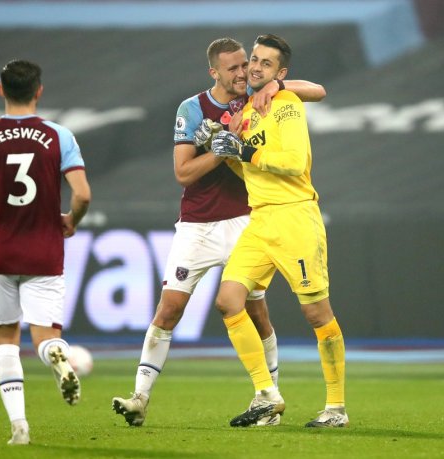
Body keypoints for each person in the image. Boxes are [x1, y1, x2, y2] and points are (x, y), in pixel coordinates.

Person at [111, 37, 326, 427]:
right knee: (169, 309)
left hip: (247, 219)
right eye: (234, 68)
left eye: (246, 65)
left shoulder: (260, 94)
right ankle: (139, 397)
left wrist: (277, 85)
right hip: (196, 224)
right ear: (214, 72)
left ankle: (268, 398)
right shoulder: (192, 109)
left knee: (255, 310)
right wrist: (221, 150)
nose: (244, 73)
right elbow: (182, 173)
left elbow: (318, 90)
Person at [0, 59, 91, 445]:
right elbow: (83, 193)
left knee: (6, 342)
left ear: (0, 90)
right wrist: (71, 219)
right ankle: (58, 356)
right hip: (43, 249)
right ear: (39, 91)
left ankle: (19, 428)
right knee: (46, 338)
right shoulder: (60, 136)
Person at [210, 34, 348, 428]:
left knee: (316, 312)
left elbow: (291, 162)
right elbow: (252, 167)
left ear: (281, 73)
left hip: (294, 217)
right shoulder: (249, 111)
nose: (255, 67)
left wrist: (245, 151)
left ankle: (336, 408)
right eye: (254, 59)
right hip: (261, 220)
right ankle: (266, 395)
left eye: (266, 63)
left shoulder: (285, 103)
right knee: (228, 300)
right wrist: (226, 150)